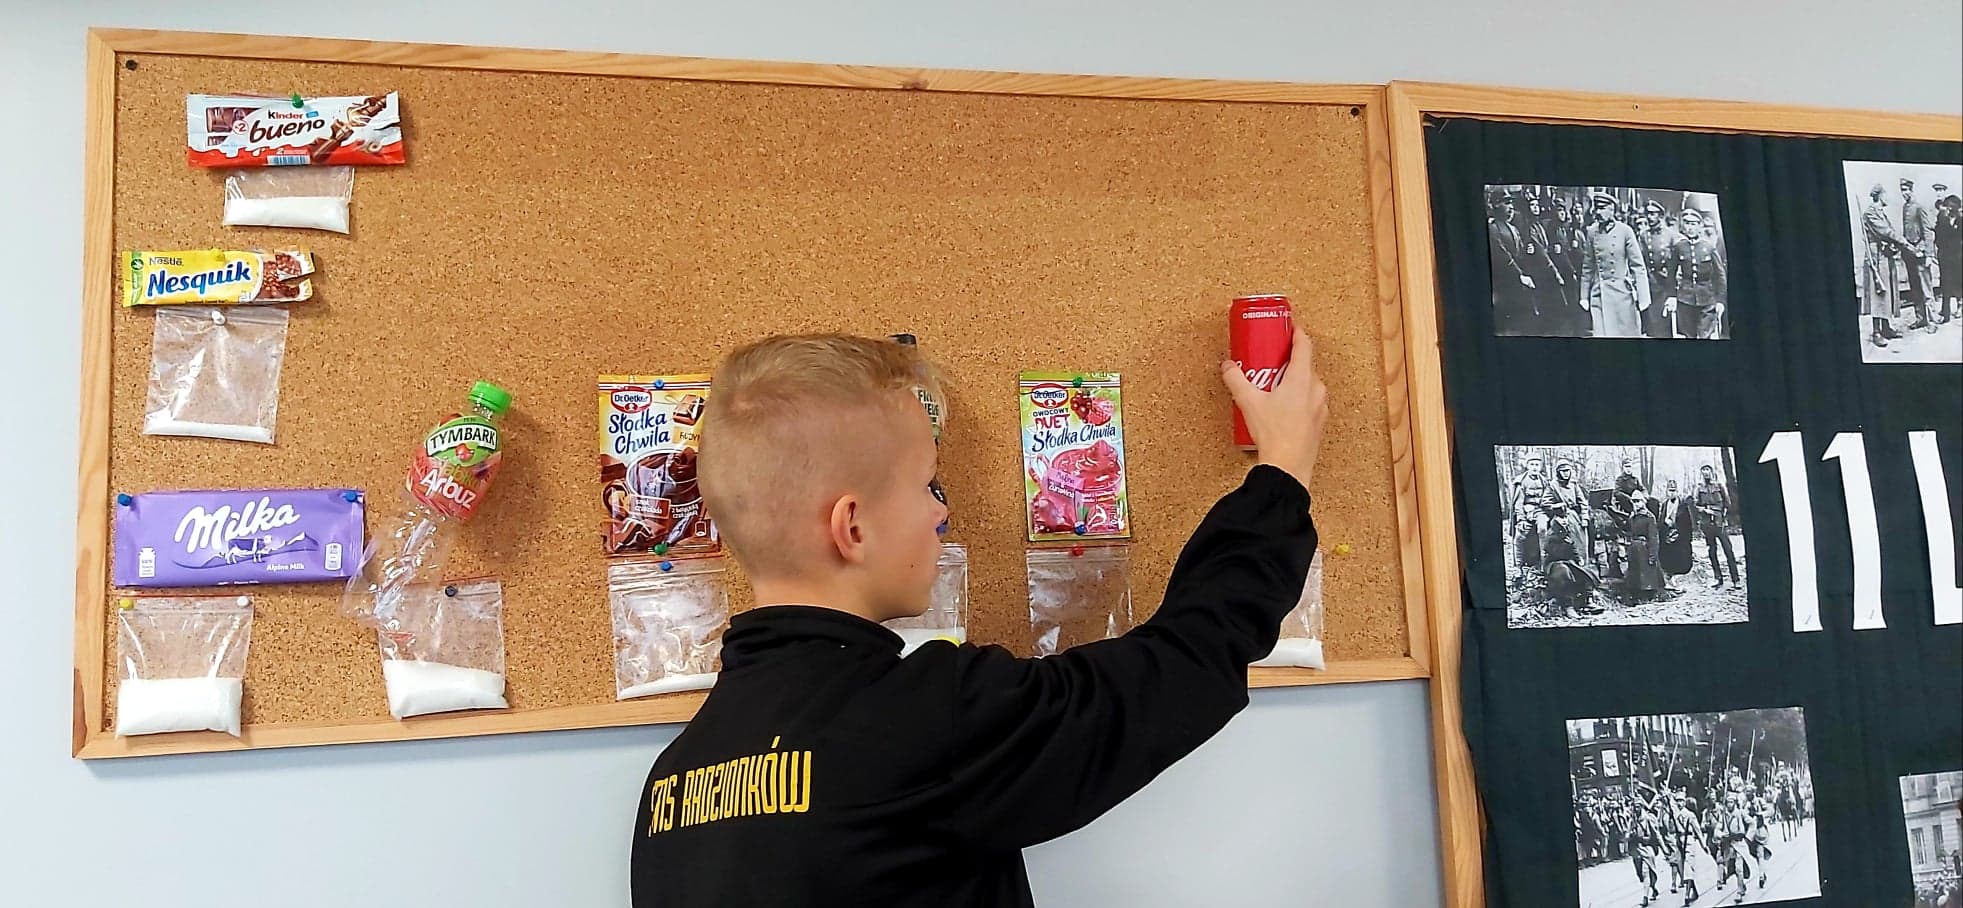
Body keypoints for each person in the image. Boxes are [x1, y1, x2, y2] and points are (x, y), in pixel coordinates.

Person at [629, 331, 1329, 907]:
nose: (940, 511)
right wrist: (1283, 472)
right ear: (853, 527)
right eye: (926, 483)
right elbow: (1180, 665)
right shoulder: (924, 717)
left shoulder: (674, 785)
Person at [1583, 191, 1652, 337]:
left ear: (1612, 209)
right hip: (1599, 294)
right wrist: (1583, 296)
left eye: (1602, 208)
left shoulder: (1625, 231)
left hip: (1622, 295)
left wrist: (1643, 297)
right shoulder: (1591, 232)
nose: (1598, 212)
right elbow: (1587, 266)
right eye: (1597, 208)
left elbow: (1638, 266)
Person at [1667, 208, 1728, 339]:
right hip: (1685, 298)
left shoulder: (1709, 247)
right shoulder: (1679, 247)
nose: (1690, 227)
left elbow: (1720, 275)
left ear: (1700, 226)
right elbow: (1671, 273)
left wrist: (1720, 300)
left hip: (1707, 298)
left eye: (1694, 224)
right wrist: (1671, 296)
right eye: (1687, 223)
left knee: (1704, 335)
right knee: (1688, 335)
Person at [1863, 182, 1910, 348]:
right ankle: (1876, 332)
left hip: (1885, 255)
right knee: (1878, 292)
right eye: (1886, 195)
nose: (1888, 198)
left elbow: (1889, 234)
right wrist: (1904, 242)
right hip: (1876, 258)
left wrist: (1895, 245)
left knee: (1887, 291)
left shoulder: (1881, 213)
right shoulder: (1870, 212)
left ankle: (1886, 327)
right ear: (1880, 196)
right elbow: (1885, 232)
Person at [1489, 191, 1540, 334]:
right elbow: (1502, 255)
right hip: (1503, 287)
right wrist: (1520, 275)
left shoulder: (1514, 229)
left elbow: (1520, 256)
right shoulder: (1493, 228)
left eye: (1511, 203)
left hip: (1518, 289)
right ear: (1496, 205)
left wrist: (1529, 252)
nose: (1511, 207)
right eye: (1506, 203)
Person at [1694, 464, 1740, 590]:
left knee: (1728, 550)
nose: (1706, 473)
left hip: (1720, 523)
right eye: (1703, 471)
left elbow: (1727, 503)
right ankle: (1718, 578)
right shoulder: (1699, 488)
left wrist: (1722, 516)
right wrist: (1704, 510)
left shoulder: (1719, 486)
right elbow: (1695, 505)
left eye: (1707, 470)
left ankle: (1735, 579)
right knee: (1712, 551)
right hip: (1707, 524)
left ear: (1711, 472)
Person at [1903, 177, 1937, 329]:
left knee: (1926, 288)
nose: (1904, 193)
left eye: (1906, 190)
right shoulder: (1905, 207)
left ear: (1911, 190)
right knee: (1915, 288)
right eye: (1902, 190)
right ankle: (1920, 318)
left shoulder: (1919, 207)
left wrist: (1929, 254)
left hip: (1921, 253)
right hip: (1910, 254)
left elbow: (1928, 232)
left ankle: (1932, 321)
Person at [1640, 201, 1678, 338]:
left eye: (1653, 214)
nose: (1649, 217)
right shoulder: (1644, 235)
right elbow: (1641, 259)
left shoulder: (1671, 235)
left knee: (1665, 322)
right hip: (1651, 282)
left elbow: (1677, 258)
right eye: (1648, 214)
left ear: (1660, 216)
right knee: (1652, 324)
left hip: (1666, 282)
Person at [1623, 496, 1665, 598]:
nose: (1636, 504)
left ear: (1643, 502)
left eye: (1638, 501)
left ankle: (1649, 595)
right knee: (1634, 576)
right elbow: (1629, 533)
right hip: (1634, 549)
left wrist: (1652, 555)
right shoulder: (1632, 517)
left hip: (1644, 549)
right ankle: (1635, 595)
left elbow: (1653, 538)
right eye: (1634, 502)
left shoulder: (1649, 517)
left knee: (1647, 576)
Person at [1657, 480, 1695, 590]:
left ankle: (1677, 578)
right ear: (1667, 492)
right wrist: (1665, 524)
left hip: (1680, 536)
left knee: (1682, 559)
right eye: (1670, 491)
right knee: (1667, 557)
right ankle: (1669, 577)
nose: (1672, 493)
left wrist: (1682, 534)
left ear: (1677, 492)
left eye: (1674, 491)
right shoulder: (1664, 505)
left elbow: (1688, 523)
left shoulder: (1682, 505)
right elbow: (1660, 521)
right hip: (1667, 535)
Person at [1935, 186, 1960, 324]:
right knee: (1945, 284)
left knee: (1958, 282)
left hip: (1958, 257)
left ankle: (1960, 306)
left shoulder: (1960, 220)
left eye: (1951, 207)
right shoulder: (1942, 218)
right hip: (1945, 256)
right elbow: (1937, 235)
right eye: (1947, 207)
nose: (1949, 210)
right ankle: (1945, 313)